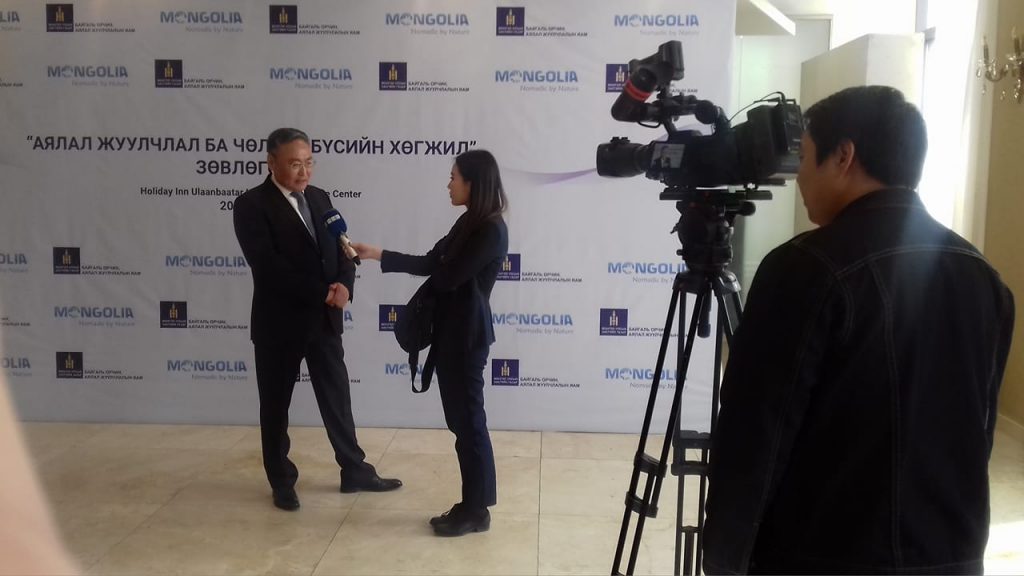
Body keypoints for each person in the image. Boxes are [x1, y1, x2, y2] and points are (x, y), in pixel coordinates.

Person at [702, 86, 1015, 574]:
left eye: (805, 156)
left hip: (822, 557)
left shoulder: (803, 268)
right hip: (953, 556)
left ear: (843, 156)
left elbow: (756, 435)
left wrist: (724, 557)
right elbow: (979, 431)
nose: (799, 175)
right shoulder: (984, 277)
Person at [233, 127, 401, 511]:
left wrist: (345, 286)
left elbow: (343, 249)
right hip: (280, 325)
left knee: (337, 398)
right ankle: (282, 481)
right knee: (275, 406)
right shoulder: (251, 205)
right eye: (295, 164)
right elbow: (268, 267)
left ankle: (354, 470)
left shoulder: (321, 198)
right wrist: (322, 292)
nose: (304, 172)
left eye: (309, 163)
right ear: (271, 163)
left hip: (324, 321)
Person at [352, 149, 508, 537]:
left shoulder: (490, 229)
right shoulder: (467, 222)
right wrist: (377, 255)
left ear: (473, 182)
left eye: (454, 177)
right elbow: (430, 263)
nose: (448, 184)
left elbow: (447, 276)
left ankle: (477, 510)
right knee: (461, 424)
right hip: (451, 334)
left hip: (467, 338)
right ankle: (471, 504)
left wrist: (439, 265)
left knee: (470, 424)